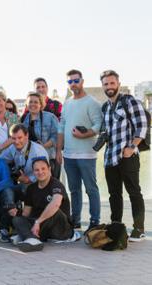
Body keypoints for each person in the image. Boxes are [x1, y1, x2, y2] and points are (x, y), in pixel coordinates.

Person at [99, 70, 148, 241]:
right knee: (114, 194)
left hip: (127, 156)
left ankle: (139, 228)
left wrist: (131, 146)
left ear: (118, 84)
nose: (109, 86)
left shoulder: (129, 101)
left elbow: (142, 126)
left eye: (112, 83)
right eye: (106, 84)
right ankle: (116, 226)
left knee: (134, 192)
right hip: (109, 157)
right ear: (103, 86)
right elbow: (105, 130)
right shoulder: (104, 107)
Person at [56, 69, 103, 230]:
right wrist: (58, 151)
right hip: (68, 155)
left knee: (91, 189)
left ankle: (94, 221)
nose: (73, 84)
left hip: (87, 155)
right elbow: (61, 127)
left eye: (76, 80)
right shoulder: (67, 104)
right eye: (70, 81)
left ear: (82, 81)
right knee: (74, 190)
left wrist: (85, 135)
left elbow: (98, 125)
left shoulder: (92, 102)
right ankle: (75, 221)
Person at [12, 157, 79, 252]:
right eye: (37, 170)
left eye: (43, 169)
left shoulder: (56, 184)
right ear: (33, 172)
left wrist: (37, 222)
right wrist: (16, 213)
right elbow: (26, 213)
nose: (40, 172)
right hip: (43, 228)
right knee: (17, 219)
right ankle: (31, 238)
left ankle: (26, 236)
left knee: (53, 210)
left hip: (61, 229)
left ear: (49, 169)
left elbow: (55, 204)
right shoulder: (31, 188)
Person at [0, 124, 49, 196]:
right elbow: (0, 160)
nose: (16, 142)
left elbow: (45, 174)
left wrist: (28, 179)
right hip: (23, 183)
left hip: (39, 184)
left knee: (24, 189)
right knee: (5, 190)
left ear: (26, 136)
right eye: (13, 138)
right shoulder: (12, 147)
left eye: (20, 138)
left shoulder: (37, 152)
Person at [21, 92, 60, 178]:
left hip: (49, 158)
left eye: (36, 102)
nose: (33, 104)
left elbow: (57, 136)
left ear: (41, 104)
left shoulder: (50, 117)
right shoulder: (25, 120)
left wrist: (44, 146)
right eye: (30, 102)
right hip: (31, 161)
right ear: (27, 105)